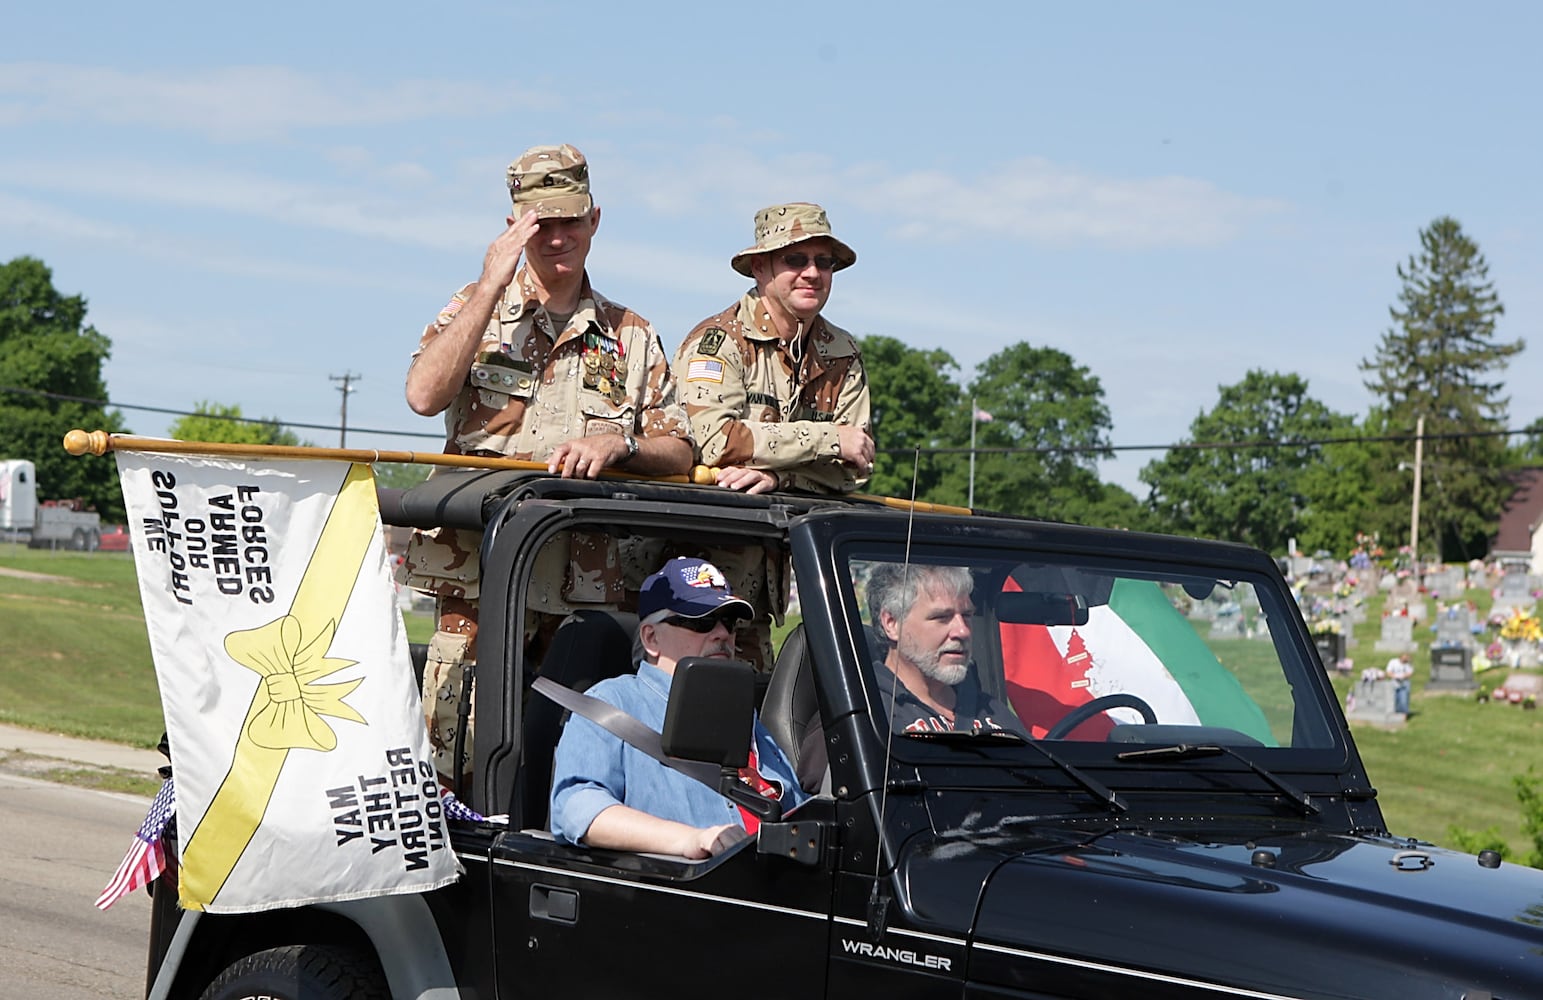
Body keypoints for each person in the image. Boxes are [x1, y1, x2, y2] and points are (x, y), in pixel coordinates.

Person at [401, 143, 694, 782]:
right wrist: (489, 287)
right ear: (515, 227)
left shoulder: (631, 336)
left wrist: (623, 444)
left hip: (579, 596)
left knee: (561, 761)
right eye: (540, 223)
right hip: (480, 585)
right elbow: (424, 395)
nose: (556, 238)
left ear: (594, 221)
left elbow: (682, 449)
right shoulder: (477, 310)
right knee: (455, 756)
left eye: (569, 221)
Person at [549, 558, 807, 858]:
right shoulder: (611, 703)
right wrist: (690, 840)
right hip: (685, 891)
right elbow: (575, 808)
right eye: (701, 622)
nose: (723, 634)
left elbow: (796, 805)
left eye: (729, 623)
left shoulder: (739, 711)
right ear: (651, 637)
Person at [673, 202, 874, 495]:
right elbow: (714, 441)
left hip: (801, 534)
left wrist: (782, 479)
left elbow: (856, 463)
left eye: (824, 262)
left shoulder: (843, 352)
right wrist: (829, 439)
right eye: (794, 260)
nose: (812, 273)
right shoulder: (719, 343)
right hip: (713, 530)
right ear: (759, 268)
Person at [865, 563, 1020, 733]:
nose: (963, 631)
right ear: (892, 623)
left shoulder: (994, 712)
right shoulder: (870, 713)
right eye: (942, 617)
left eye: (967, 615)